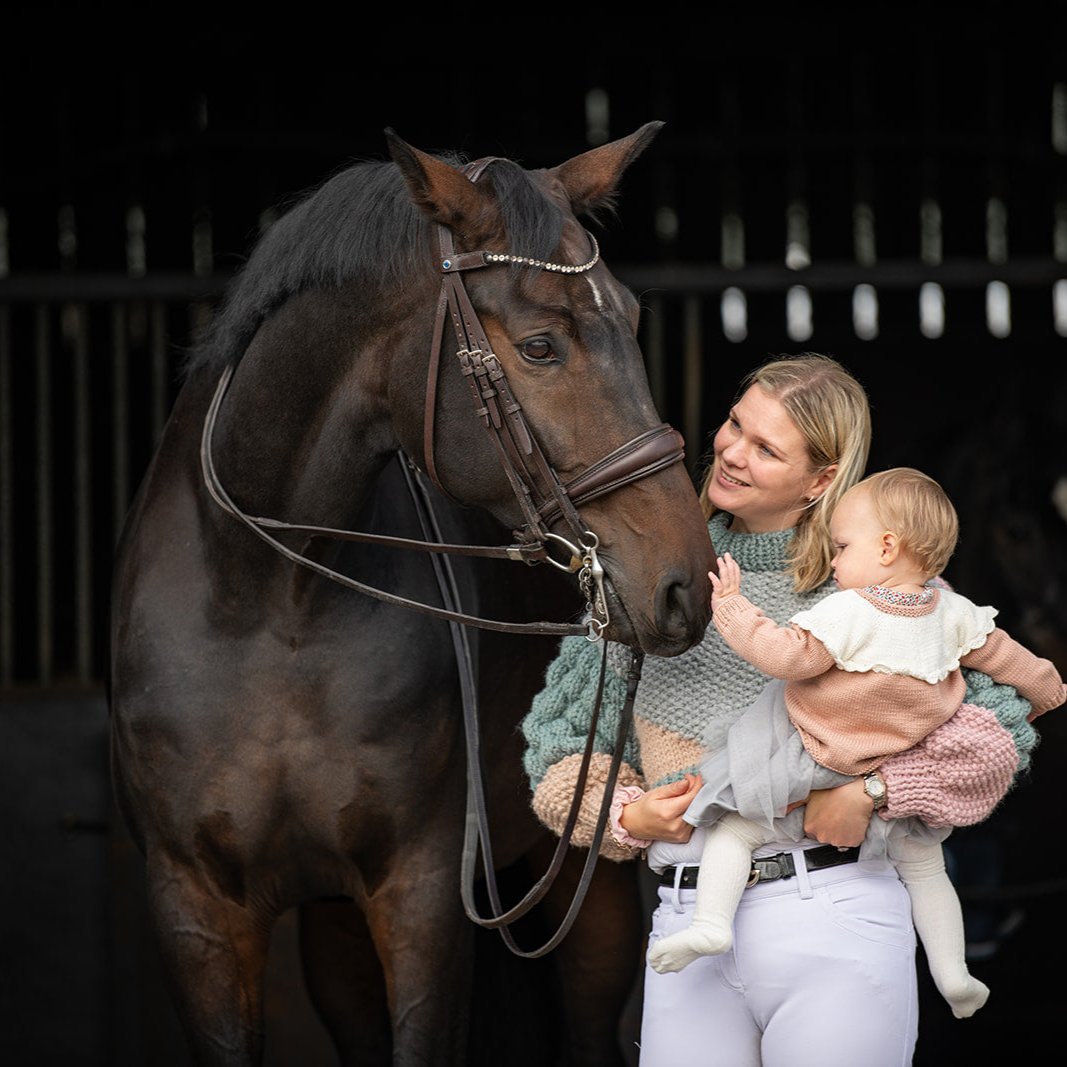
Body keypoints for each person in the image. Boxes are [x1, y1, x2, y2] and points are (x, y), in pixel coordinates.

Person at [522, 354, 1039, 1066]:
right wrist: (624, 814)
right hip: (686, 922)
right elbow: (558, 750)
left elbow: (1000, 725)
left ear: (821, 478)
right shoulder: (646, 578)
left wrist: (874, 791)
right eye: (735, 425)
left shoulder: (877, 583)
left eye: (766, 448)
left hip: (834, 910)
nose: (730, 452)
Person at [644, 468, 1066, 1022]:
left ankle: (710, 925)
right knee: (926, 867)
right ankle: (954, 972)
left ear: (887, 547)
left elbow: (785, 657)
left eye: (842, 548)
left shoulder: (848, 611)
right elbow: (1024, 670)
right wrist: (1047, 696)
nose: (835, 562)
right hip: (883, 773)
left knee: (732, 828)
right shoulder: (960, 616)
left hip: (809, 757)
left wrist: (731, 605)